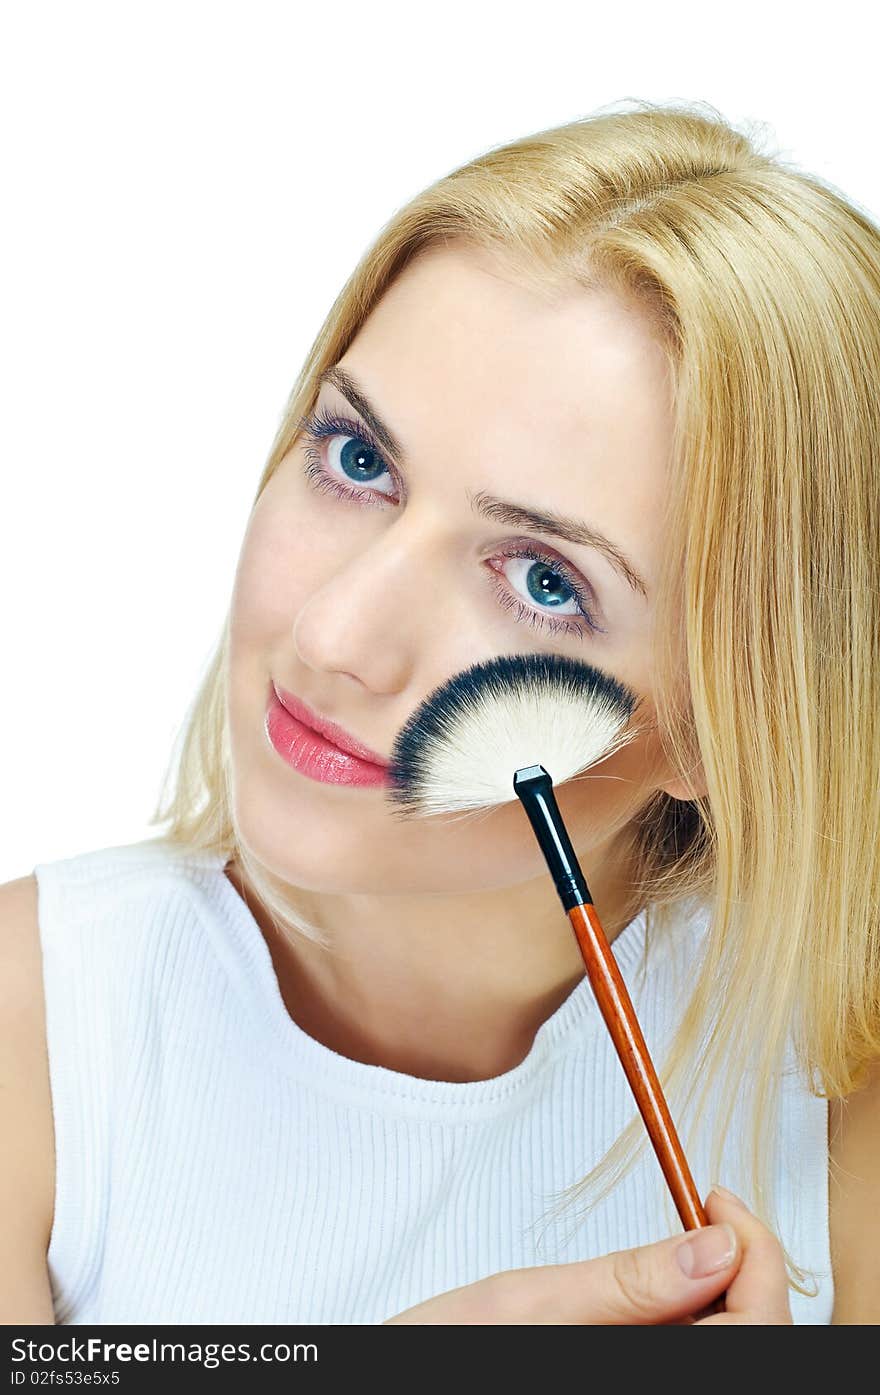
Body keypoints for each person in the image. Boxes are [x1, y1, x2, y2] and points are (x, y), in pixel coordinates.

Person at [3, 100, 878, 1326]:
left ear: (724, 718)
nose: (334, 638)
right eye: (358, 461)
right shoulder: (30, 1029)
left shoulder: (841, 1084)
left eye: (541, 581)